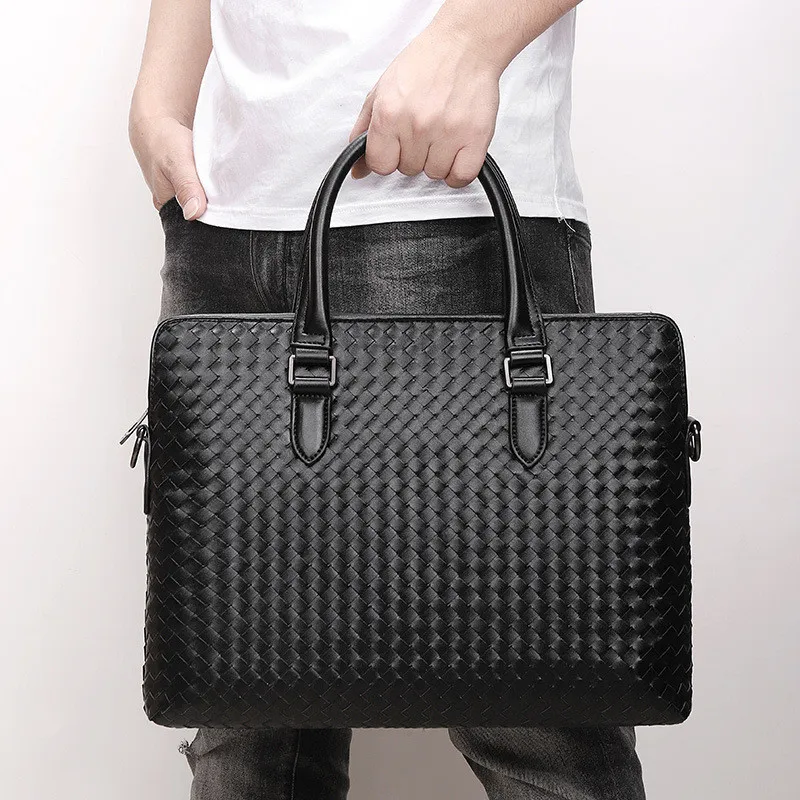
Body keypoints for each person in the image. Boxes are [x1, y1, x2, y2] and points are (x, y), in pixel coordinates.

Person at [129, 1, 646, 798]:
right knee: (241, 720)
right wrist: (161, 94)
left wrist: (469, 42)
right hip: (226, 209)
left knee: (537, 713)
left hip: (445, 193)